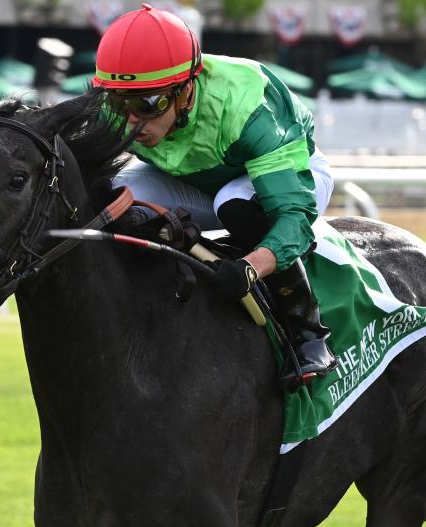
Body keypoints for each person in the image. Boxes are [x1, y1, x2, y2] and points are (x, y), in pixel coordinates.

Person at [92, 4, 337, 384]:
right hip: (198, 181)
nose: (130, 122)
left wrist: (251, 267)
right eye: (118, 103)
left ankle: (308, 331)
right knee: (113, 196)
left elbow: (293, 216)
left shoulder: (247, 106)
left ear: (185, 88)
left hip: (286, 178)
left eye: (147, 104)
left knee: (233, 204)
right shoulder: (118, 110)